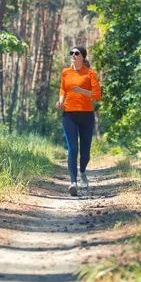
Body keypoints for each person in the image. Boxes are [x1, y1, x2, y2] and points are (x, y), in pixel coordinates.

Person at [56, 46, 102, 196]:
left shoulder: (90, 74)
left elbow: (97, 95)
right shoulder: (65, 72)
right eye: (71, 53)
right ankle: (73, 182)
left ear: (82, 57)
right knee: (72, 148)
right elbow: (63, 89)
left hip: (86, 116)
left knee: (85, 152)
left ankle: (82, 171)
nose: (73, 55)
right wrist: (60, 102)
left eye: (76, 53)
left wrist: (82, 91)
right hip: (69, 115)